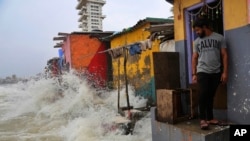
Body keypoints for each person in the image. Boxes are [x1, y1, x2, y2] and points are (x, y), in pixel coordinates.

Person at [192, 18, 228, 130]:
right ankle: (203, 119)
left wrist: (225, 72)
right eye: (195, 31)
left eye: (198, 30)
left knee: (210, 96)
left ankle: (210, 118)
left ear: (204, 27)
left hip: (216, 72)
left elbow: (224, 55)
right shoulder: (197, 42)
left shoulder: (219, 38)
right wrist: (194, 73)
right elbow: (194, 58)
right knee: (203, 94)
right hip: (202, 71)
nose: (197, 32)